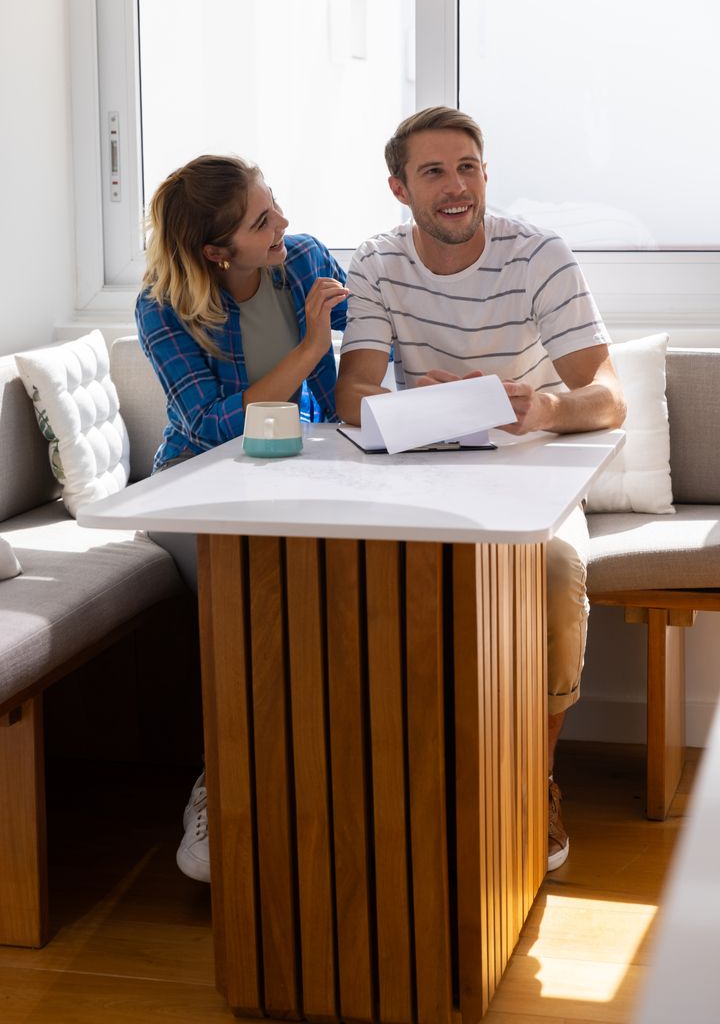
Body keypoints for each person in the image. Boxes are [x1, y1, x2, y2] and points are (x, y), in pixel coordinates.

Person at [335, 107, 626, 873]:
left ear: (486, 174)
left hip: (531, 475)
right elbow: (352, 395)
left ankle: (535, 777)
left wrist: (548, 407)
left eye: (468, 167)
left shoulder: (538, 255)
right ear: (400, 188)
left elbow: (608, 394)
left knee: (558, 576)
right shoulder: (376, 261)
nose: (456, 186)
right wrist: (423, 401)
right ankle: (395, 788)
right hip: (423, 478)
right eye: (433, 172)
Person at [136, 154, 349, 882]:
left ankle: (320, 783)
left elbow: (383, 325)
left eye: (275, 205)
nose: (283, 224)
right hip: (193, 491)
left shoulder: (304, 261)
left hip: (300, 477)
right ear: (216, 252)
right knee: (240, 602)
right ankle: (218, 784)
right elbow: (211, 425)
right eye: (263, 221)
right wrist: (314, 347)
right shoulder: (161, 308)